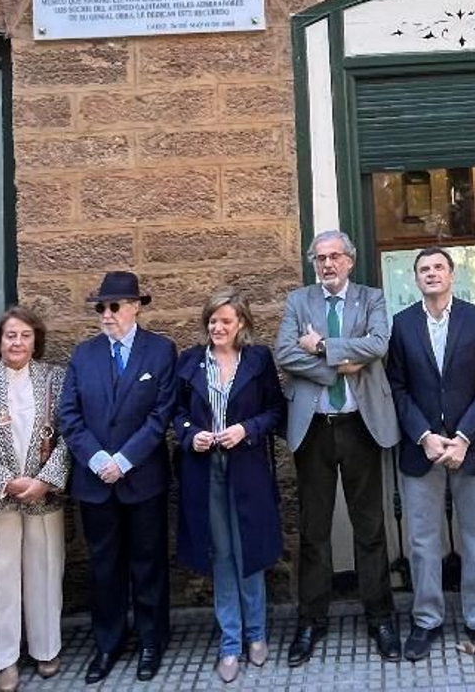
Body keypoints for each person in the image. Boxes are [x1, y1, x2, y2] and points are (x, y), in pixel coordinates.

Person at [273, 231, 401, 665]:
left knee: (370, 528)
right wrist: (340, 366)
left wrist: (324, 346)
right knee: (313, 532)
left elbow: (379, 345)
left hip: (361, 425)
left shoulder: (372, 298)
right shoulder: (298, 301)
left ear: (350, 260)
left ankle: (381, 616)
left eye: (334, 257)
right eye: (319, 258)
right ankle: (310, 621)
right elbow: (286, 353)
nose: (326, 264)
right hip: (313, 428)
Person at [386, 246, 475, 663]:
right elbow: (396, 388)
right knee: (422, 542)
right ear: (415, 278)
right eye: (424, 269)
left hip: (469, 448)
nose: (431, 273)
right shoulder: (401, 325)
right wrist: (424, 435)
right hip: (423, 450)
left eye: (439, 267)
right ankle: (426, 619)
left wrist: (462, 437)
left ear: (452, 275)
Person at [57, 271, 177, 684]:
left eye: (114, 306)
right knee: (104, 567)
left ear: (135, 306)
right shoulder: (83, 354)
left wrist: (124, 460)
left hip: (142, 478)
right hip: (96, 483)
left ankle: (150, 641)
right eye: (101, 307)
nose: (106, 315)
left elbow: (161, 415)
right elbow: (69, 417)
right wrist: (96, 459)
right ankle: (108, 643)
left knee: (148, 564)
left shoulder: (160, 351)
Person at [0, 307, 70, 691]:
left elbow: (71, 435)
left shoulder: (55, 379)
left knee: (44, 572)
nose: (17, 342)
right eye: (9, 336)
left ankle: (46, 648)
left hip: (43, 496)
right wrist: (8, 482)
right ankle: (1, 660)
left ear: (35, 340)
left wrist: (45, 480)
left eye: (24, 335)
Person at [175, 291, 284, 683]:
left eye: (225, 321)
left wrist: (246, 429)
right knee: (221, 554)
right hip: (206, 472)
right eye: (212, 321)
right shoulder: (189, 362)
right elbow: (177, 414)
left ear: (242, 324)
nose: (217, 328)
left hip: (248, 468)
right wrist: (192, 436)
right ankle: (230, 642)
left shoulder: (258, 361)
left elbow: (275, 412)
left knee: (249, 551)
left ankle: (257, 634)